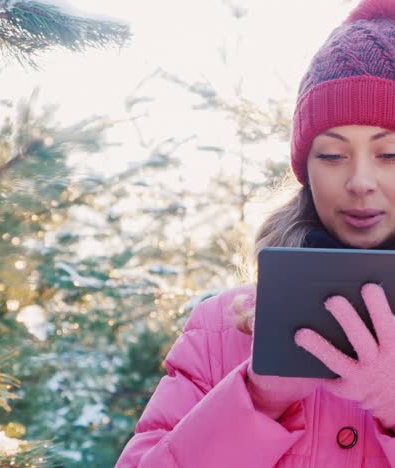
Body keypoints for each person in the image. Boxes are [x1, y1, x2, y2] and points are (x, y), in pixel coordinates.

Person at [116, 0, 395, 466]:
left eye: (390, 154)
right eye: (331, 155)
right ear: (305, 169)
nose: (360, 181)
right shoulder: (223, 326)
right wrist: (256, 400)